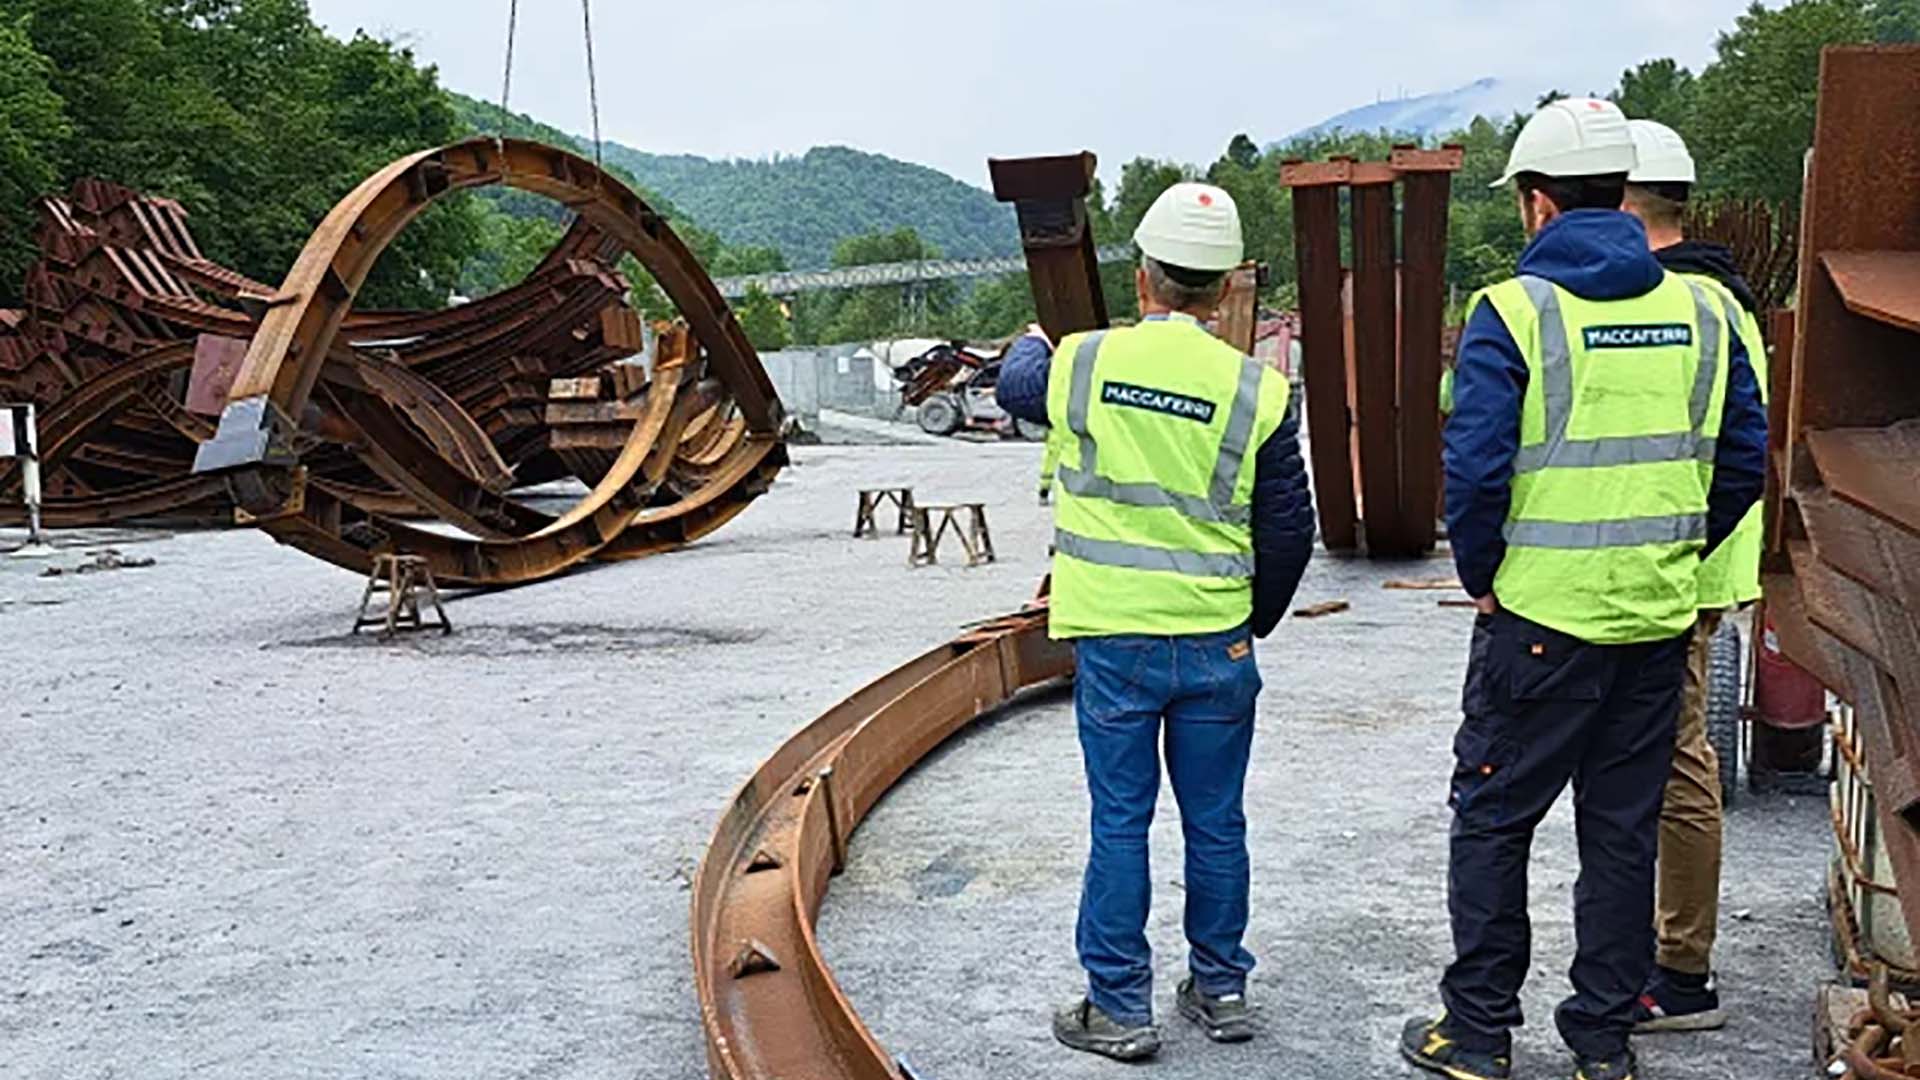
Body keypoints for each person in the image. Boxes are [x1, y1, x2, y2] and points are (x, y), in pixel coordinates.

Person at [1400, 98, 1768, 1080]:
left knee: (1493, 821)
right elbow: (1743, 462)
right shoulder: (1701, 313)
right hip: (1652, 622)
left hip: (1534, 625)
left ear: (1534, 205)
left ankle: (1476, 1033)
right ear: (1623, 191)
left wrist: (1485, 577)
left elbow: (1473, 474)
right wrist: (1675, 556)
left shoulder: (1513, 313)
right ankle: (1602, 1046)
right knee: (1619, 835)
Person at [995, 182, 1315, 1062]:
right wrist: (1248, 618)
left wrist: (1033, 340)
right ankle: (1221, 989)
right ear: (1223, 289)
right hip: (1217, 642)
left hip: (1117, 645)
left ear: (1143, 280)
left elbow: (1016, 381)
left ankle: (1120, 1008)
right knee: (1217, 823)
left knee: (1120, 821)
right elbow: (1291, 527)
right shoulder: (1257, 390)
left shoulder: (1085, 364)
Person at [1619, 118, 1769, 1034]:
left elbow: (1723, 454)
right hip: (1696, 559)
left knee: (1674, 763)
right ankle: (1659, 953)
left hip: (1677, 569)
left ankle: (1681, 974)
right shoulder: (1727, 297)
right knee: (1663, 759)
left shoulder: (1687, 305)